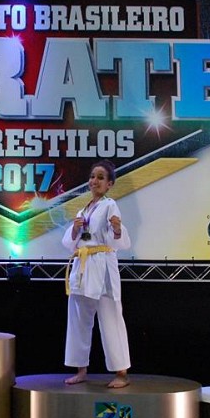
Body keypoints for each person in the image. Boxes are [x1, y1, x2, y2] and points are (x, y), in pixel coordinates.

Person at [62, 160, 132, 388]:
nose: (95, 181)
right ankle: (80, 369)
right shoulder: (83, 210)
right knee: (78, 318)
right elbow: (71, 242)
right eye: (93, 176)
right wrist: (75, 229)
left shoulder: (110, 205)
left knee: (111, 316)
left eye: (101, 177)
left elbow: (118, 240)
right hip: (83, 266)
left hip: (102, 265)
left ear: (110, 184)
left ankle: (121, 372)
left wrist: (117, 229)